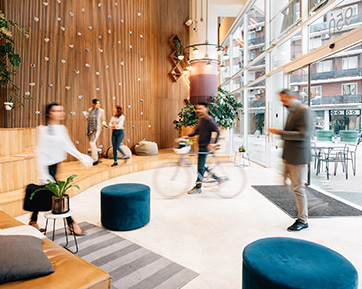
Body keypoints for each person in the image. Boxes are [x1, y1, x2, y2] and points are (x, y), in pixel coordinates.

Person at [31, 102, 93, 235]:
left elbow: (68, 146)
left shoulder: (62, 129)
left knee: (43, 194)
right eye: (56, 111)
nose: (60, 113)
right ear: (49, 113)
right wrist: (43, 173)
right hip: (46, 167)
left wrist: (82, 157)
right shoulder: (42, 129)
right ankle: (71, 223)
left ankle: (33, 221)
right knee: (59, 196)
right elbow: (40, 152)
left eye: (61, 110)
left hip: (56, 166)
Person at [269, 89, 312, 232]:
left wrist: (280, 133)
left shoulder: (303, 110)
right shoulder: (292, 111)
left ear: (292, 97)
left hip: (299, 157)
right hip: (291, 156)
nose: (283, 103)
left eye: (284, 100)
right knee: (292, 186)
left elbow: (304, 134)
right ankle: (303, 213)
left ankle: (303, 219)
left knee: (298, 188)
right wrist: (285, 155)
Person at [185, 102, 220, 194]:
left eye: (201, 108)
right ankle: (217, 178)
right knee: (202, 166)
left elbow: (217, 131)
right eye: (197, 109)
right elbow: (196, 131)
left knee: (200, 168)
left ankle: (198, 187)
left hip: (205, 146)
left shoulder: (209, 119)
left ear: (206, 109)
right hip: (201, 146)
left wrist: (214, 143)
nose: (198, 110)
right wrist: (187, 136)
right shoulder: (201, 120)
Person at [84, 99, 107, 165]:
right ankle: (94, 158)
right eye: (97, 104)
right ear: (94, 104)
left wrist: (104, 124)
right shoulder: (90, 110)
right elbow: (88, 119)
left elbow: (103, 119)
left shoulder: (101, 111)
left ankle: (95, 158)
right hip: (90, 129)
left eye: (99, 103)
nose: (99, 105)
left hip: (97, 128)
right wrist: (85, 116)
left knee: (92, 142)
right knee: (92, 143)